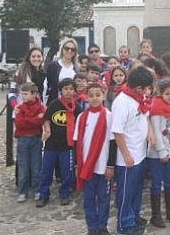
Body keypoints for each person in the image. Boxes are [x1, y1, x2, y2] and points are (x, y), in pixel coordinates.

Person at [111, 66, 155, 235]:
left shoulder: (139, 98)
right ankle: (124, 224)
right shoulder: (122, 102)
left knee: (137, 189)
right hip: (127, 158)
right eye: (147, 87)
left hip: (140, 153)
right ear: (138, 88)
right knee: (126, 192)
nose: (149, 90)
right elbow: (118, 132)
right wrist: (127, 155)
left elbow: (145, 117)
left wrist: (150, 131)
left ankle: (134, 215)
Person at [74, 83, 117, 235]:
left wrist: (110, 165)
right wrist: (77, 165)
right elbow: (76, 142)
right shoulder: (81, 117)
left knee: (104, 198)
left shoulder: (109, 116)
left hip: (103, 165)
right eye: (91, 95)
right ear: (86, 97)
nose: (94, 98)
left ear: (103, 96)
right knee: (89, 198)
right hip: (86, 166)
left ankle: (102, 226)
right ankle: (92, 226)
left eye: (97, 95)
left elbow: (113, 142)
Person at [36, 78, 78, 208]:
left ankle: (64, 193)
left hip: (67, 146)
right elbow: (47, 118)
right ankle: (43, 194)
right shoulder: (54, 104)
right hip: (51, 145)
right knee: (46, 171)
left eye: (71, 89)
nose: (68, 92)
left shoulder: (77, 108)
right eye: (66, 89)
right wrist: (47, 130)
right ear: (61, 91)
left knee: (67, 173)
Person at [147, 78, 170, 228]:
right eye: (167, 93)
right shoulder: (156, 110)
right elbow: (156, 132)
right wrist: (162, 152)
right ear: (160, 93)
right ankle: (156, 215)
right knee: (156, 183)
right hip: (157, 154)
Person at [14, 83, 46, 203]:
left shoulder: (40, 107)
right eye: (22, 94)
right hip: (23, 139)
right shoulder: (20, 107)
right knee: (23, 166)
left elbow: (41, 120)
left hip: (36, 139)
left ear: (34, 94)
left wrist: (27, 118)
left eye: (26, 94)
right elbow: (19, 124)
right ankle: (22, 191)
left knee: (36, 166)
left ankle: (37, 190)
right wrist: (34, 119)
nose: (23, 96)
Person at [43, 39, 78, 105]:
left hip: (71, 104)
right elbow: (46, 86)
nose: (69, 51)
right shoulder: (53, 66)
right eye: (67, 48)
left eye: (72, 49)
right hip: (55, 103)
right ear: (62, 49)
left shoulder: (76, 69)